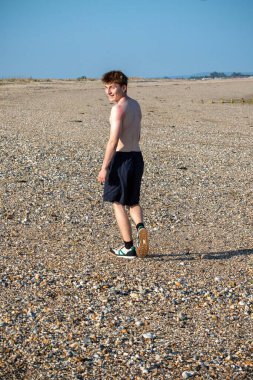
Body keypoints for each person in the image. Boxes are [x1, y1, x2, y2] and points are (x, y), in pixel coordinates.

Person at [97, 70, 149, 259]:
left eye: (112, 87)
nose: (108, 91)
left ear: (124, 87)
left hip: (122, 159)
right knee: (133, 201)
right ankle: (140, 227)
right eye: (106, 87)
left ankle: (128, 248)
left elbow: (113, 141)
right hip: (137, 157)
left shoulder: (118, 109)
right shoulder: (135, 105)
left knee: (117, 203)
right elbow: (137, 134)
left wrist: (104, 167)